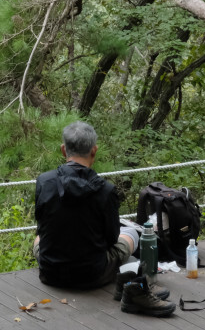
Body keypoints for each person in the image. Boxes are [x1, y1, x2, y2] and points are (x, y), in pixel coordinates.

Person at [33, 121, 174, 316]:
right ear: (94, 150)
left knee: (39, 238)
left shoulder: (44, 181)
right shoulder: (105, 191)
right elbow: (110, 239)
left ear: (63, 150)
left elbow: (42, 226)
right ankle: (131, 281)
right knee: (130, 233)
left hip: (50, 273)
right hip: (91, 275)